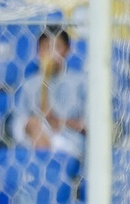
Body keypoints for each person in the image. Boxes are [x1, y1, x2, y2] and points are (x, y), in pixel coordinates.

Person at [12, 26, 85, 157]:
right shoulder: (30, 84)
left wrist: (60, 122)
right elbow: (17, 121)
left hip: (69, 142)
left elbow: (90, 125)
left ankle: (44, 157)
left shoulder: (80, 83)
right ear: (38, 52)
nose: (52, 53)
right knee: (34, 127)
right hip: (34, 140)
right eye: (46, 47)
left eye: (57, 47)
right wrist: (31, 125)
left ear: (67, 50)